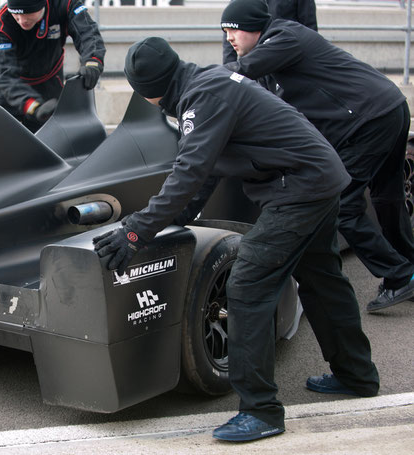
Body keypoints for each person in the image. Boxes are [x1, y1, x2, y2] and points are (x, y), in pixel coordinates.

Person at [94, 36, 379, 442]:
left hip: (299, 189)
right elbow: (207, 162)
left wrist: (136, 230)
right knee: (322, 279)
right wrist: (187, 212)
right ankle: (356, 375)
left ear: (147, 93)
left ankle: (261, 411)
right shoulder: (205, 83)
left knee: (247, 286)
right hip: (317, 177)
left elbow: (189, 171)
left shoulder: (201, 98)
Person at [220, 0, 414, 313]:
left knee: (343, 204)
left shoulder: (283, 37)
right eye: (224, 31)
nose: (229, 37)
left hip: (367, 119)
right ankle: (410, 270)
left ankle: (399, 275)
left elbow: (240, 72)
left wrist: (195, 80)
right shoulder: (273, 50)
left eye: (235, 29)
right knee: (387, 198)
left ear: (257, 26)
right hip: (386, 108)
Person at [0, 0, 106, 132]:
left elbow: (87, 33)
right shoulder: (2, 22)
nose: (21, 20)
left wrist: (92, 62)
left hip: (49, 83)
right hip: (7, 89)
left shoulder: (65, 5)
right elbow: (4, 73)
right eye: (16, 15)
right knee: (2, 145)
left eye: (28, 13)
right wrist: (32, 105)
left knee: (47, 144)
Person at [222, 0, 317, 64]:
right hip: (252, 60)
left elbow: (309, 26)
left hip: (287, 59)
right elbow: (231, 25)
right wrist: (229, 68)